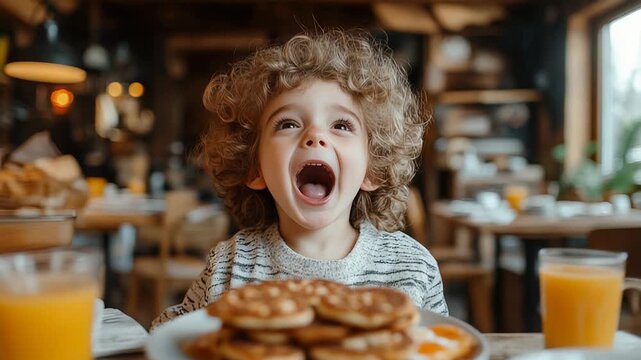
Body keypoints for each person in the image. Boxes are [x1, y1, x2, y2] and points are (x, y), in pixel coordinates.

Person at [151, 30, 447, 329]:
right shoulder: (229, 265)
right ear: (254, 167)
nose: (315, 136)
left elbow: (443, 345)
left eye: (341, 125)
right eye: (288, 123)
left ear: (373, 168)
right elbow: (172, 338)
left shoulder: (412, 268)